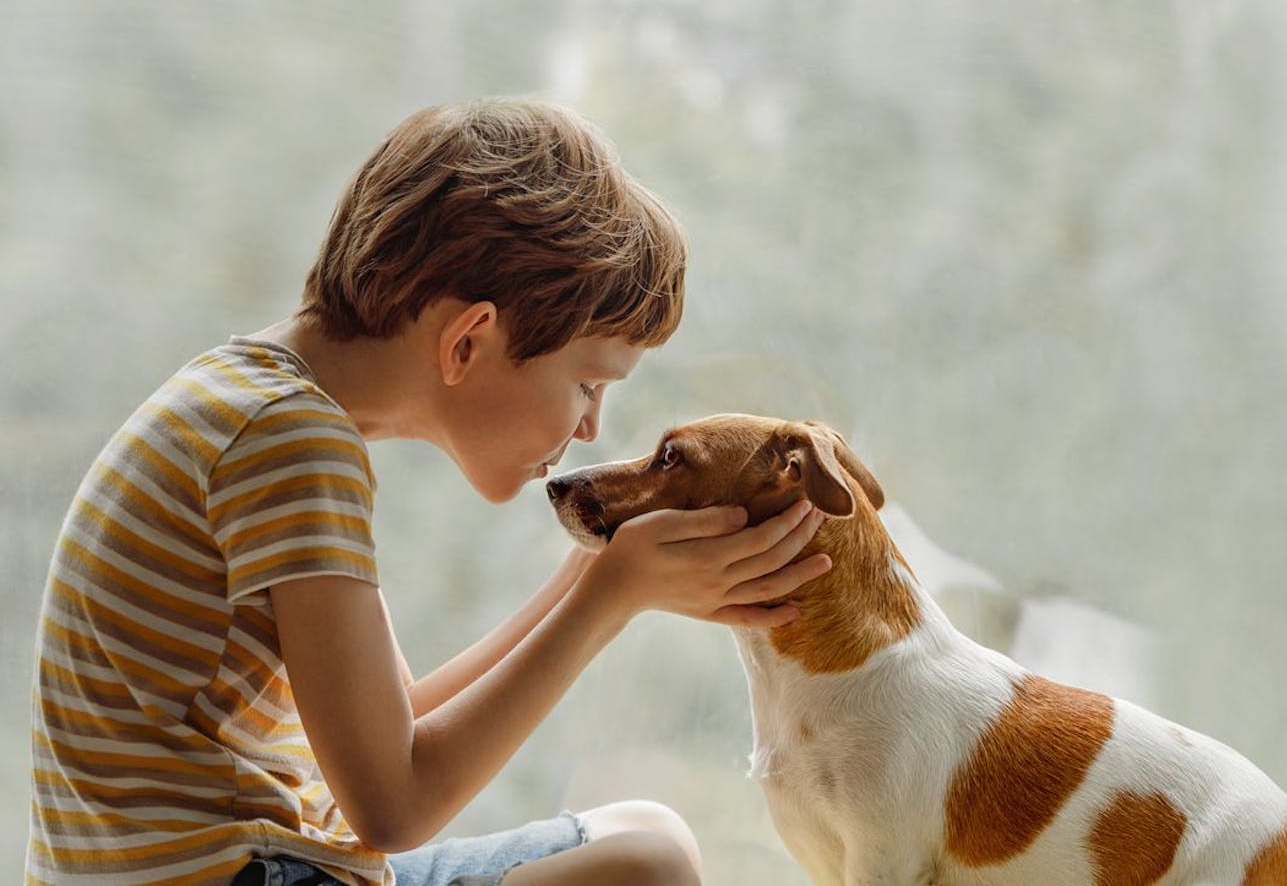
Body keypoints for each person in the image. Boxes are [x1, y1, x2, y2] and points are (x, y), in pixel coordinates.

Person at [26, 97, 832, 886]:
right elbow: (392, 805)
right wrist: (608, 600)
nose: (590, 428)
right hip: (241, 872)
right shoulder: (292, 445)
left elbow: (397, 724)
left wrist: (591, 574)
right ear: (468, 341)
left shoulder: (252, 403)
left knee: (646, 834)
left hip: (261, 859)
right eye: (588, 384)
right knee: (646, 865)